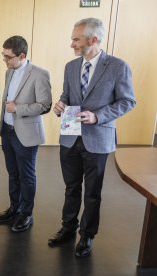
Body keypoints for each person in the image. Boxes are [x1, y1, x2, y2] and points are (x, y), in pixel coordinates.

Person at [48, 18, 136, 257]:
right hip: (69, 136)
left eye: (76, 39)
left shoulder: (118, 66)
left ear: (93, 39)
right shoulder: (70, 66)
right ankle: (68, 228)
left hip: (98, 138)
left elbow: (128, 101)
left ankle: (87, 235)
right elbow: (67, 94)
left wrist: (98, 116)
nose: (71, 44)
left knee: (92, 192)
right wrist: (61, 104)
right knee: (71, 187)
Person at [0, 36, 52, 232]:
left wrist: (17, 108)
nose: (5, 61)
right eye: (3, 56)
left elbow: (45, 105)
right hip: (8, 131)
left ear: (22, 55)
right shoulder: (9, 72)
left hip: (26, 133)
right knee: (12, 173)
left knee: (26, 176)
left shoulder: (39, 74)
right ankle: (14, 207)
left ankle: (27, 214)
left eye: (8, 57)